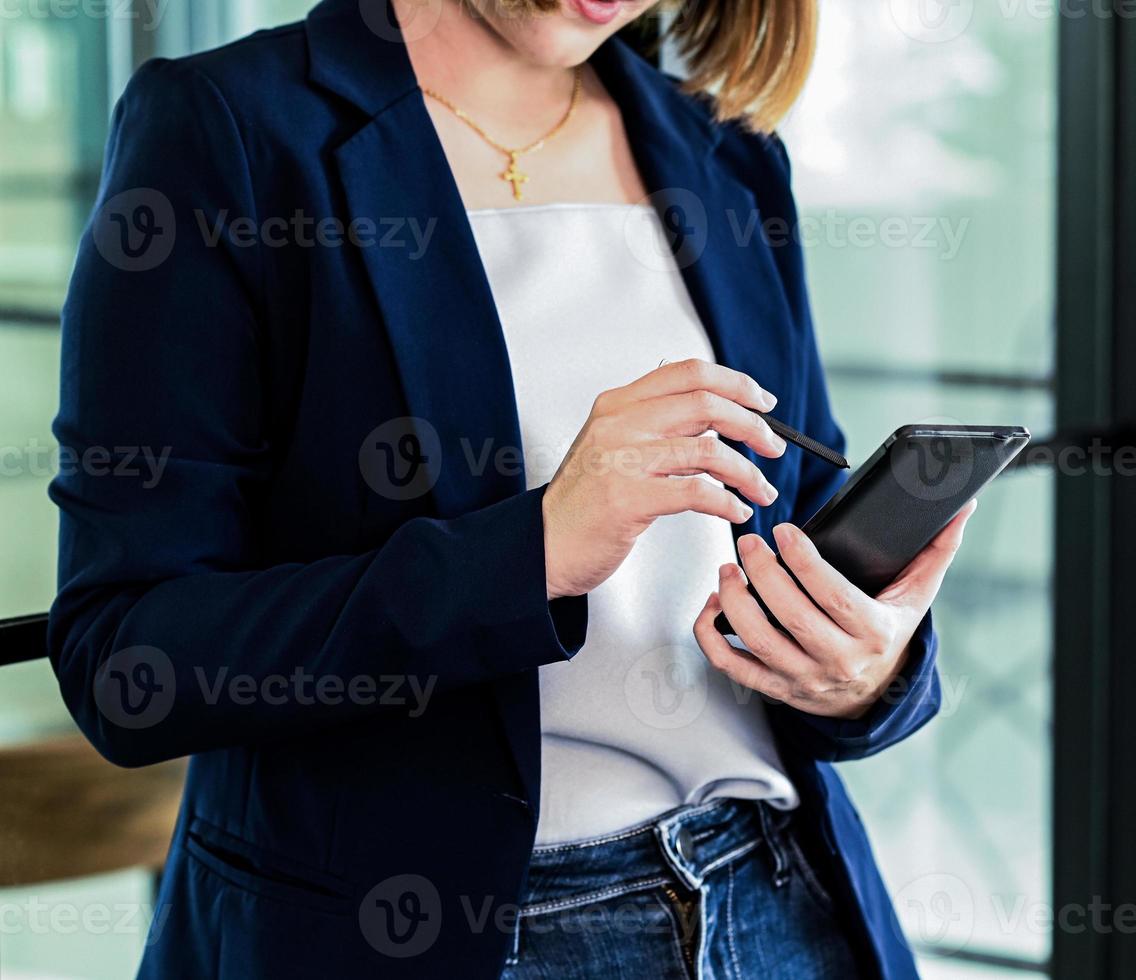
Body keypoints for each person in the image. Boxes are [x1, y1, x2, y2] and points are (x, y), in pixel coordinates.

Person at [49, 1, 974, 976]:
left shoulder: (724, 149)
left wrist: (864, 672)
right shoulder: (227, 128)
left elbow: (791, 529)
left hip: (778, 902)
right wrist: (530, 551)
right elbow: (128, 659)